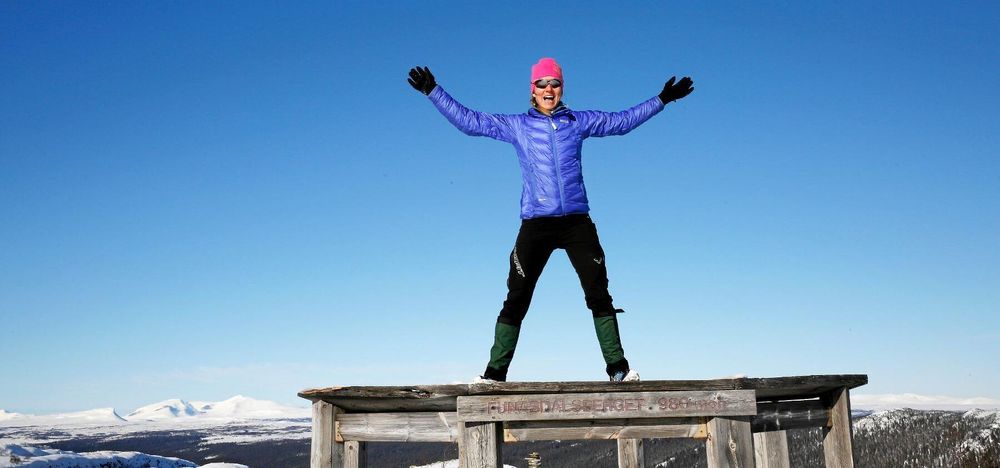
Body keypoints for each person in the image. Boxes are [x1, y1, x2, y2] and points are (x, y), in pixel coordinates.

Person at [407, 58, 693, 382]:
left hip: (576, 222)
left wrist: (662, 100)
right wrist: (433, 91)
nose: (548, 89)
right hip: (536, 224)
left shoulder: (577, 122)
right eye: (541, 84)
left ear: (561, 88)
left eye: (554, 83)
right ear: (532, 90)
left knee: (598, 292)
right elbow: (471, 122)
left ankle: (618, 370)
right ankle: (494, 375)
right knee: (517, 295)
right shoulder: (518, 126)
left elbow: (621, 121)